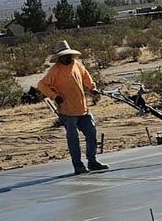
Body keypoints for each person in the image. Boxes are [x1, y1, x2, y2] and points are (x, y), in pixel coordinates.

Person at [37, 40, 109, 175]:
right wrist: (54, 96)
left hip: (83, 108)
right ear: (59, 58)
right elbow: (42, 85)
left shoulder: (77, 65)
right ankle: (78, 165)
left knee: (91, 132)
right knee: (73, 138)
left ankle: (92, 161)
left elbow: (86, 76)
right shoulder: (55, 71)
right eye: (64, 56)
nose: (67, 58)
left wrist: (92, 87)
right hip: (67, 111)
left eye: (69, 55)